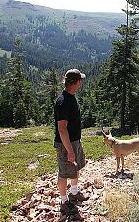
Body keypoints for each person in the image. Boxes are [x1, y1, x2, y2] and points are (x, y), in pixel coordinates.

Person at [54, 68, 89, 217]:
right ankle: (63, 201)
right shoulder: (63, 101)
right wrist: (69, 150)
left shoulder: (71, 96)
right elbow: (62, 129)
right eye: (80, 79)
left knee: (76, 167)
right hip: (65, 144)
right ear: (75, 82)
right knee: (63, 173)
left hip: (74, 141)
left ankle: (74, 193)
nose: (81, 82)